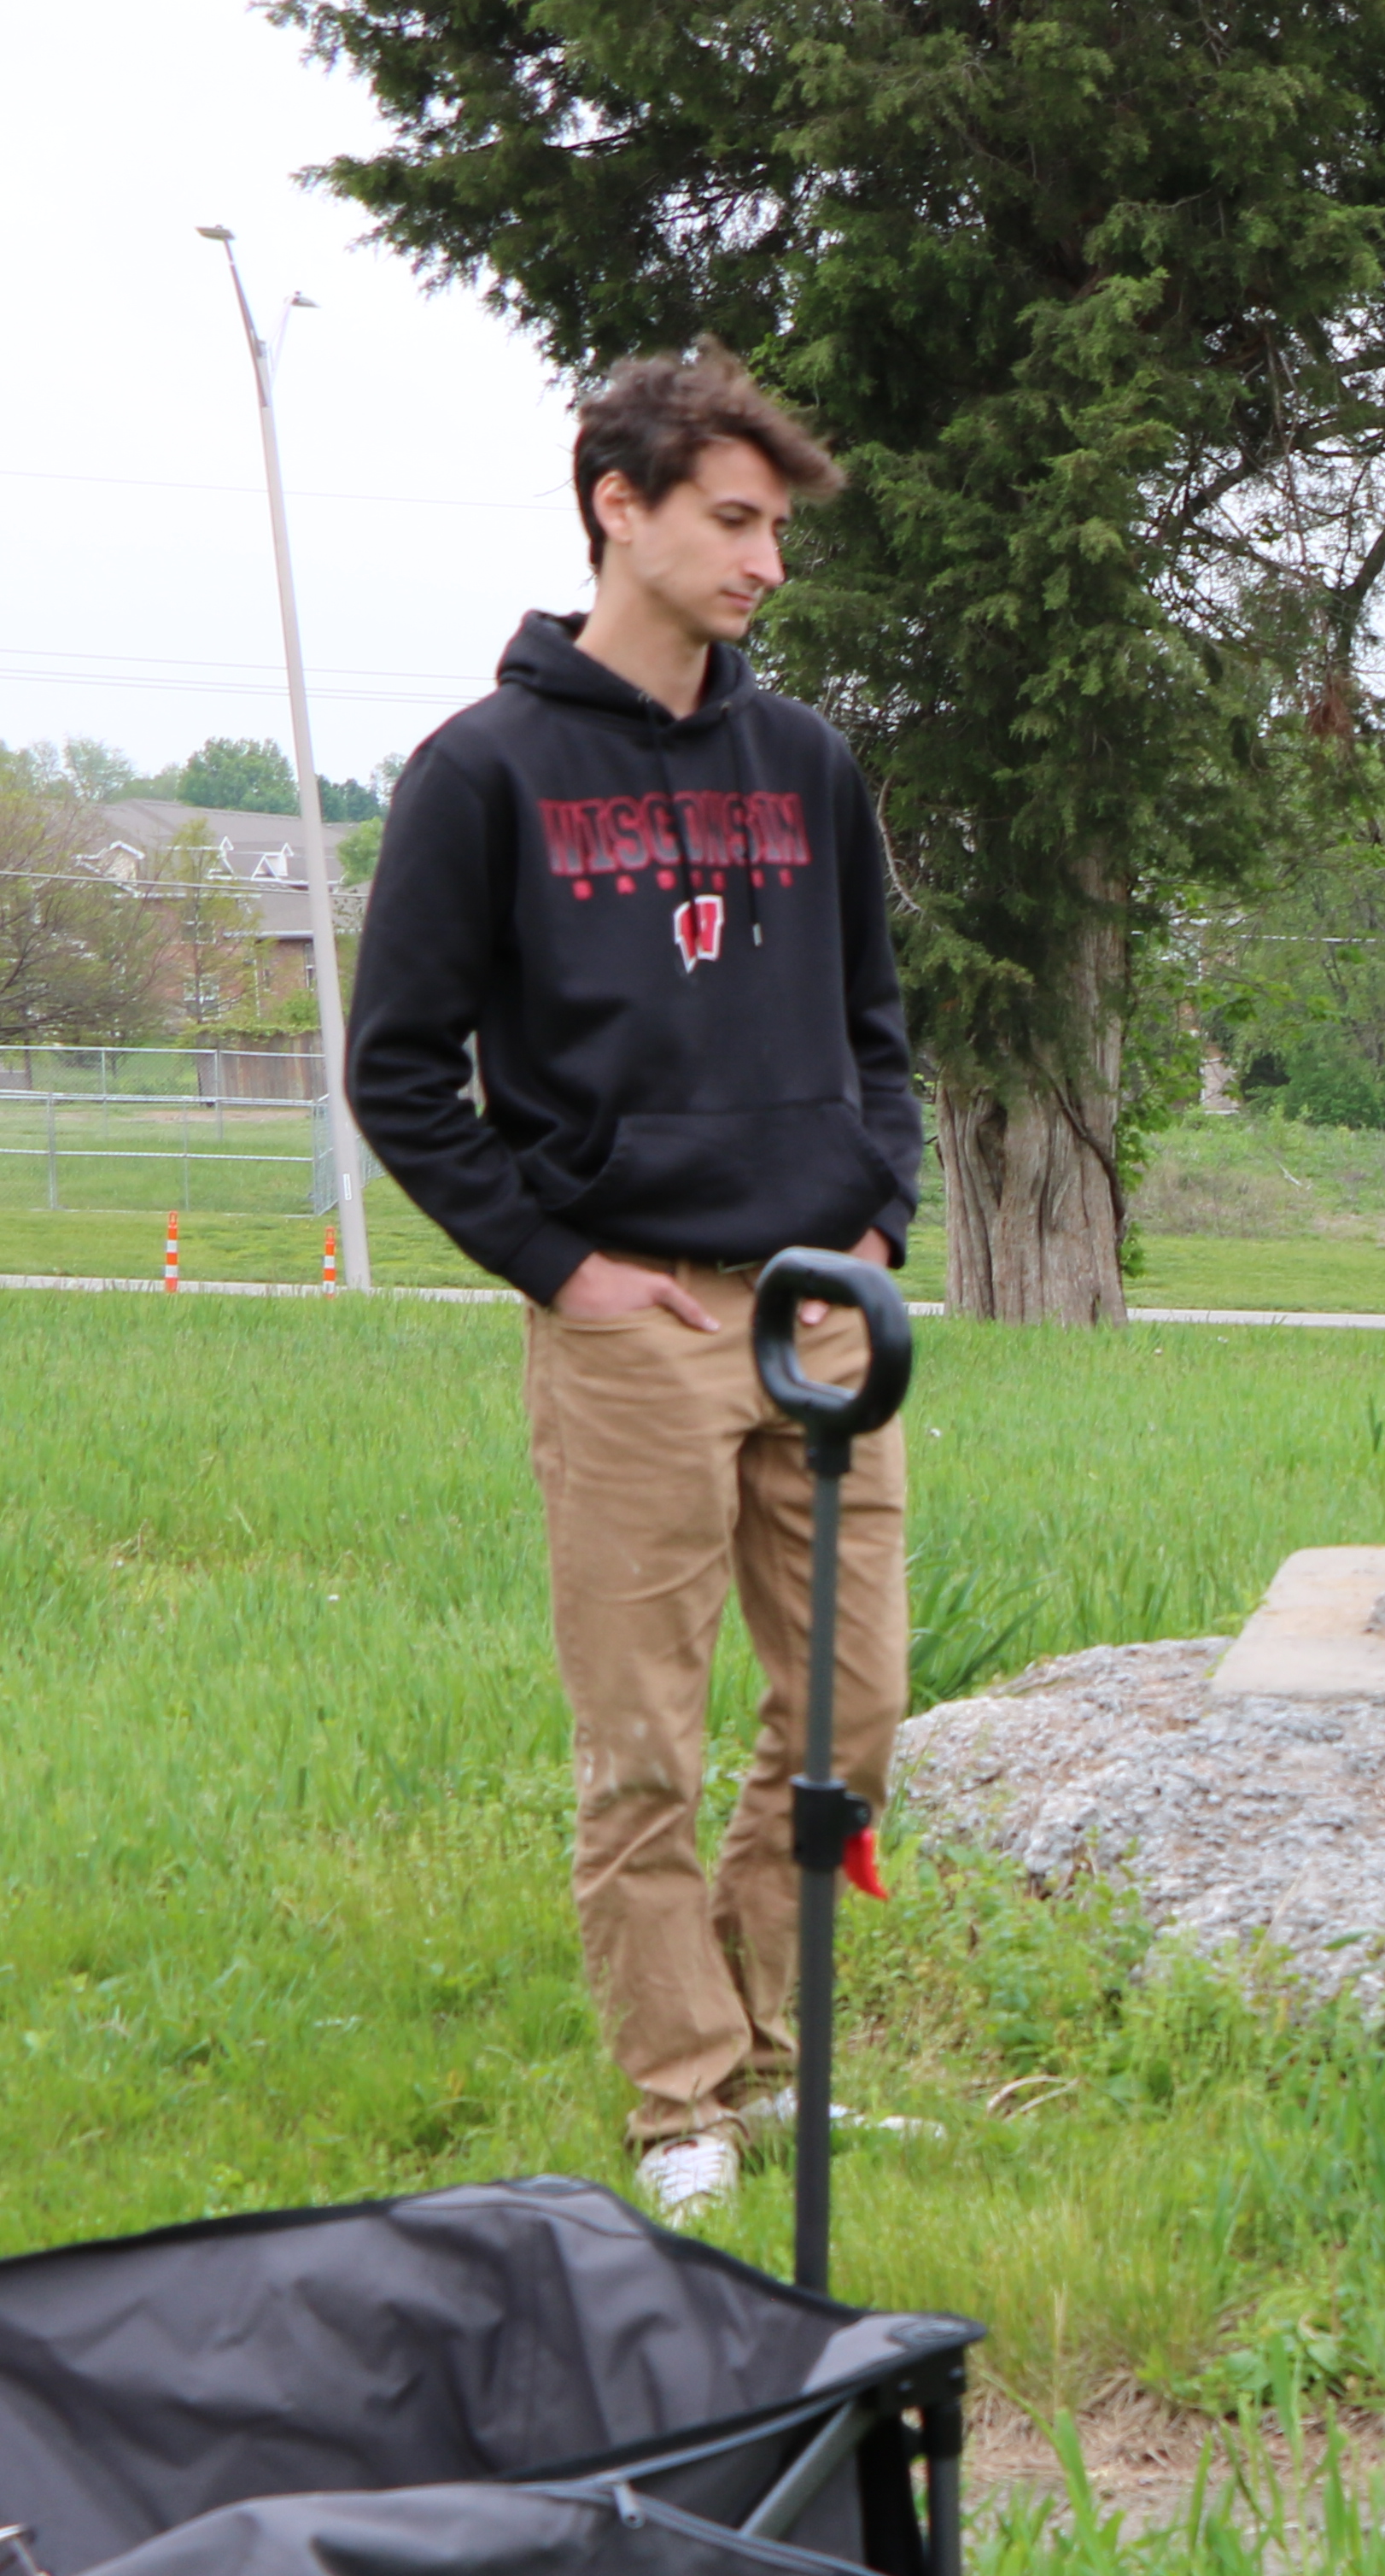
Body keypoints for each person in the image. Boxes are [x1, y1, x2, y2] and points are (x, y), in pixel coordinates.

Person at [349, 347, 924, 2226]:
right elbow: (400, 1072)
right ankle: (680, 2094)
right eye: (735, 521)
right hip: (637, 1322)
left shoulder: (806, 762)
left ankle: (772, 2052)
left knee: (846, 1718)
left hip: (823, 1305)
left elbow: (876, 1023)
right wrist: (565, 1272)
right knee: (644, 1738)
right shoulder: (484, 770)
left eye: (777, 528)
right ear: (621, 502)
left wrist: (884, 1215)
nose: (768, 561)